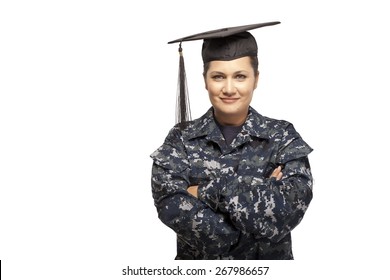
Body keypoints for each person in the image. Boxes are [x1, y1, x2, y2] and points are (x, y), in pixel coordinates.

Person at [150, 21, 313, 260]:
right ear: (205, 80)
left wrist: (204, 192)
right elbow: (170, 206)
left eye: (240, 76)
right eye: (218, 76)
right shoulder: (180, 140)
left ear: (255, 79)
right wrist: (258, 193)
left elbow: (287, 211)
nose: (228, 88)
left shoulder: (282, 137)